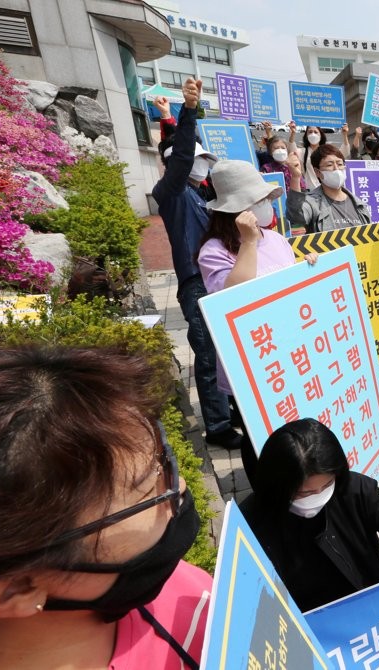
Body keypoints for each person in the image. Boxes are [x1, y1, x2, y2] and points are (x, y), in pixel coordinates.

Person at [0, 346, 210, 670]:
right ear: (17, 589)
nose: (179, 489)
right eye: (147, 488)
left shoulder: (184, 591)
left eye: (163, 458)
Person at [240, 418, 379, 612]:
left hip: (367, 608)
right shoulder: (251, 519)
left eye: (327, 485)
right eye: (305, 492)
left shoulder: (355, 489)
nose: (318, 496)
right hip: (307, 627)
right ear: (278, 485)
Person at [197, 160, 318, 479]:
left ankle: (296, 478)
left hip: (288, 349)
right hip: (251, 360)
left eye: (265, 199)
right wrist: (248, 243)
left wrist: (309, 267)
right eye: (257, 201)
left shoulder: (276, 239)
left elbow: (290, 285)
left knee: (292, 425)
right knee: (259, 434)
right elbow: (230, 299)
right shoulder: (214, 250)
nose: (266, 206)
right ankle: (265, 488)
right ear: (235, 211)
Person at [150, 76, 242, 451]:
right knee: (207, 355)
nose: (203, 166)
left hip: (220, 281)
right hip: (196, 286)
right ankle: (218, 426)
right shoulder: (170, 193)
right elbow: (180, 153)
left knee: (228, 351)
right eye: (198, 160)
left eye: (206, 160)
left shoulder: (203, 194)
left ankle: (230, 408)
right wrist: (188, 112)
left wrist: (170, 119)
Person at [287, 144, 379, 233]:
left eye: (339, 164)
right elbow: (297, 216)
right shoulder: (312, 202)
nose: (336, 169)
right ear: (317, 172)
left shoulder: (359, 204)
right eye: (329, 165)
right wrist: (296, 177)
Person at [298, 124, 351, 190]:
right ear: (306, 135)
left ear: (320, 135)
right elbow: (291, 152)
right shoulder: (302, 152)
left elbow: (343, 153)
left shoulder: (327, 150)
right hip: (311, 190)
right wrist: (293, 134)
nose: (313, 134)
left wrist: (345, 135)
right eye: (310, 132)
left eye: (315, 132)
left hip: (328, 188)